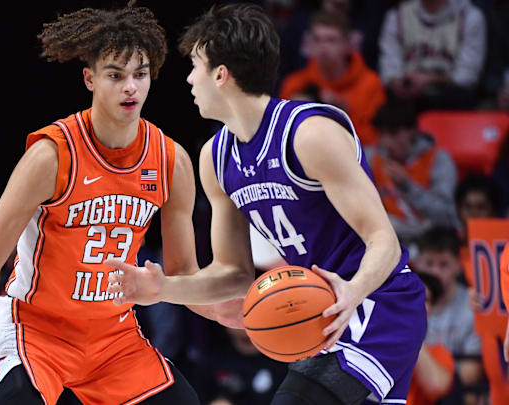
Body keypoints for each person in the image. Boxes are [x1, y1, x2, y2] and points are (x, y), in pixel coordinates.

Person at [107, 4, 426, 405]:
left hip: (377, 303)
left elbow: (385, 240)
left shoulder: (309, 135)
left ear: (220, 74)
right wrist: (163, 289)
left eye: (195, 66)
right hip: (320, 311)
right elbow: (234, 275)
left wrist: (353, 291)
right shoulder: (216, 158)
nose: (188, 79)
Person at [0, 3, 202, 405]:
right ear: (89, 79)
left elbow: (184, 278)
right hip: (37, 333)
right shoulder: (51, 156)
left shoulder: (170, 161)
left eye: (140, 75)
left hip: (114, 339)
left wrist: (237, 309)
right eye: (115, 75)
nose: (131, 88)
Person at [280, 10, 386, 145]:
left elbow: (375, 143)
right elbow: (282, 137)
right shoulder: (294, 84)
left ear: (347, 44)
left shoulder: (371, 84)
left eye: (331, 40)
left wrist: (343, 114)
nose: (323, 47)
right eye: (317, 39)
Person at [366, 101, 459, 243]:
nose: (386, 142)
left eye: (393, 133)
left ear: (412, 132)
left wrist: (408, 186)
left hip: (428, 241)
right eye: (382, 134)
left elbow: (446, 216)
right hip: (384, 240)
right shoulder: (371, 157)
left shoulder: (438, 159)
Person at [413, 227, 484, 401]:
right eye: (429, 263)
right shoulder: (400, 306)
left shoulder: (473, 306)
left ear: (458, 265)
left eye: (444, 264)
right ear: (416, 263)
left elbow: (470, 375)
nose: (436, 272)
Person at [378, 0, 487, 110]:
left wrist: (430, 80)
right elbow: (389, 72)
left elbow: (467, 77)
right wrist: (398, 83)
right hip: (406, 102)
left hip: (452, 102)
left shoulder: (469, 15)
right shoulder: (397, 15)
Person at [406, 272, 454, 405]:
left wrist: (412, 334)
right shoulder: (375, 339)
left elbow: (436, 386)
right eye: (411, 297)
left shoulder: (439, 351)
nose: (417, 304)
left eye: (425, 299)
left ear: (430, 309)